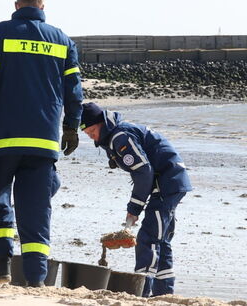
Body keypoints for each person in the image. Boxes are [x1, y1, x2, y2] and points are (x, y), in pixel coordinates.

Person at [0, 0, 83, 287]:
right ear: (42, 7)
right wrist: (71, 126)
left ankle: (0, 265)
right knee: (36, 208)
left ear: (16, 6)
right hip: (43, 140)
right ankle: (36, 279)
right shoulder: (62, 40)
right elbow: (74, 91)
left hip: (3, 136)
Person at [79, 102, 192, 297]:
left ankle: (142, 291)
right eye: (87, 134)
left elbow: (143, 171)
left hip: (167, 183)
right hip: (171, 182)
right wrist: (137, 205)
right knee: (160, 239)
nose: (91, 136)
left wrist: (134, 208)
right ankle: (164, 294)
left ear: (102, 123)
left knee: (148, 238)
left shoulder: (120, 137)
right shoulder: (116, 135)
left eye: (92, 131)